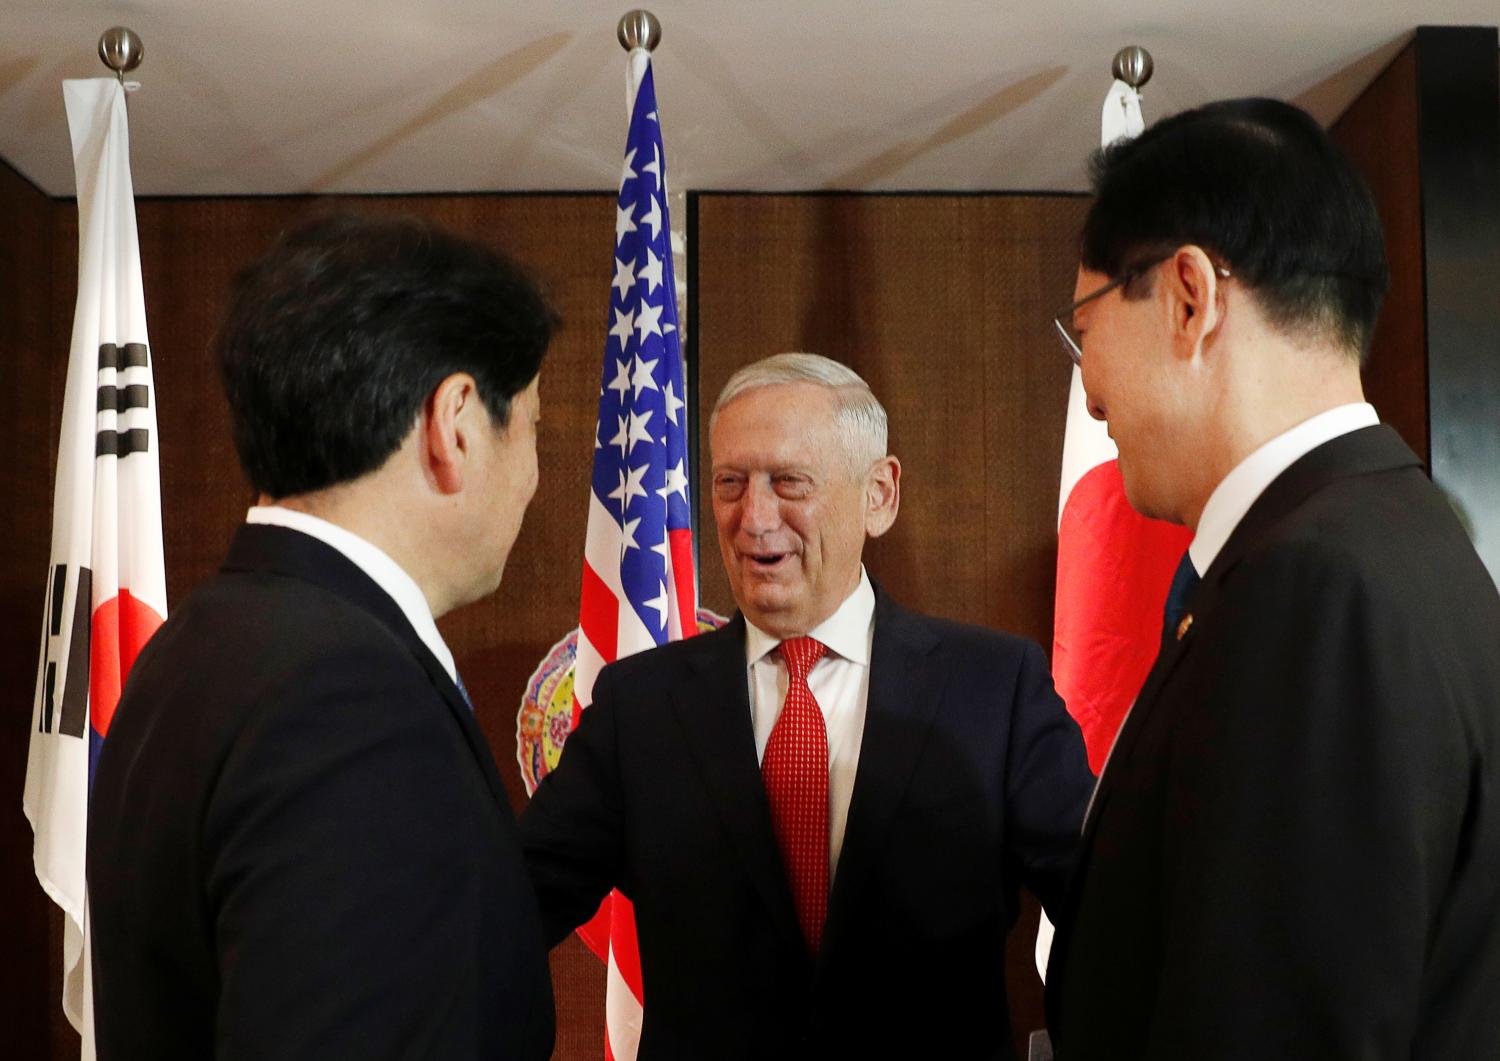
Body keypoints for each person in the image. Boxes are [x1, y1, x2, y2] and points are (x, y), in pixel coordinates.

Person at [1044, 97, 1500, 1059]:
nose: (1089, 389)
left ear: (1188, 297)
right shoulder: (1395, 531)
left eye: (1085, 327)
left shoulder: (1313, 588)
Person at [521, 352, 1094, 1060]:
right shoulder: (639, 706)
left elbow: (1108, 916)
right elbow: (512, 911)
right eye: (730, 482)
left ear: (878, 495)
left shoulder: (995, 687)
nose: (753, 517)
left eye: (788, 481)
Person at [88, 213, 558, 1060]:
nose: (533, 473)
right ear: (454, 423)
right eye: (531, 427)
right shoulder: (350, 699)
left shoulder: (197, 643)